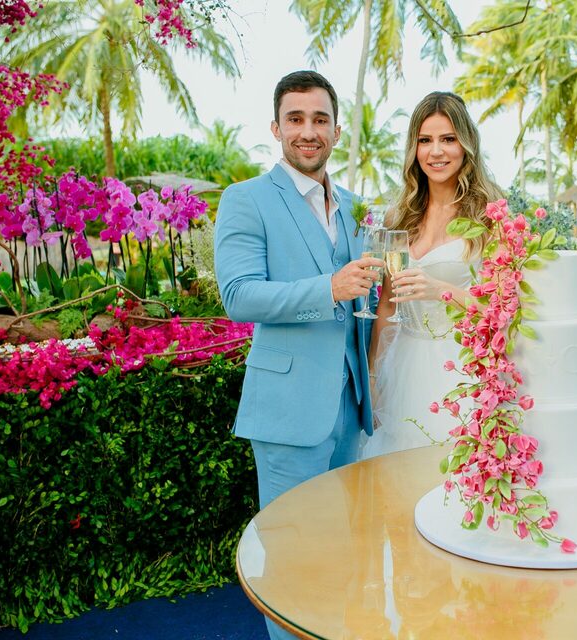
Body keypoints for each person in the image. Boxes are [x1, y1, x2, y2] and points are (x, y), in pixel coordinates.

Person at [215, 71, 384, 509]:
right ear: (276, 128)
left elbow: (366, 298)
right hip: (288, 412)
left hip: (351, 408)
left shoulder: (354, 206)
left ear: (336, 131)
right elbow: (239, 296)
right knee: (291, 540)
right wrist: (330, 289)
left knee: (343, 537)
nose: (308, 132)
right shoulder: (245, 199)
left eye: (320, 120)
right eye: (295, 119)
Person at [361, 91, 503, 459]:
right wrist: (375, 378)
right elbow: (387, 306)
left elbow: (503, 309)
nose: (436, 151)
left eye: (448, 139)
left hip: (461, 368)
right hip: (403, 368)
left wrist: (441, 289)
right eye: (425, 140)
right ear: (414, 148)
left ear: (466, 144)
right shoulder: (398, 217)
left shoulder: (490, 216)